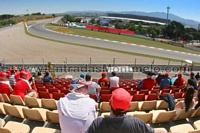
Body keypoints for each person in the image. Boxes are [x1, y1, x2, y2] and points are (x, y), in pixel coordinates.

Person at [86, 88, 166, 133]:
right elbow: (162, 131)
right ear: (129, 106)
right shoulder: (137, 123)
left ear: (110, 103)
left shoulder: (97, 123)